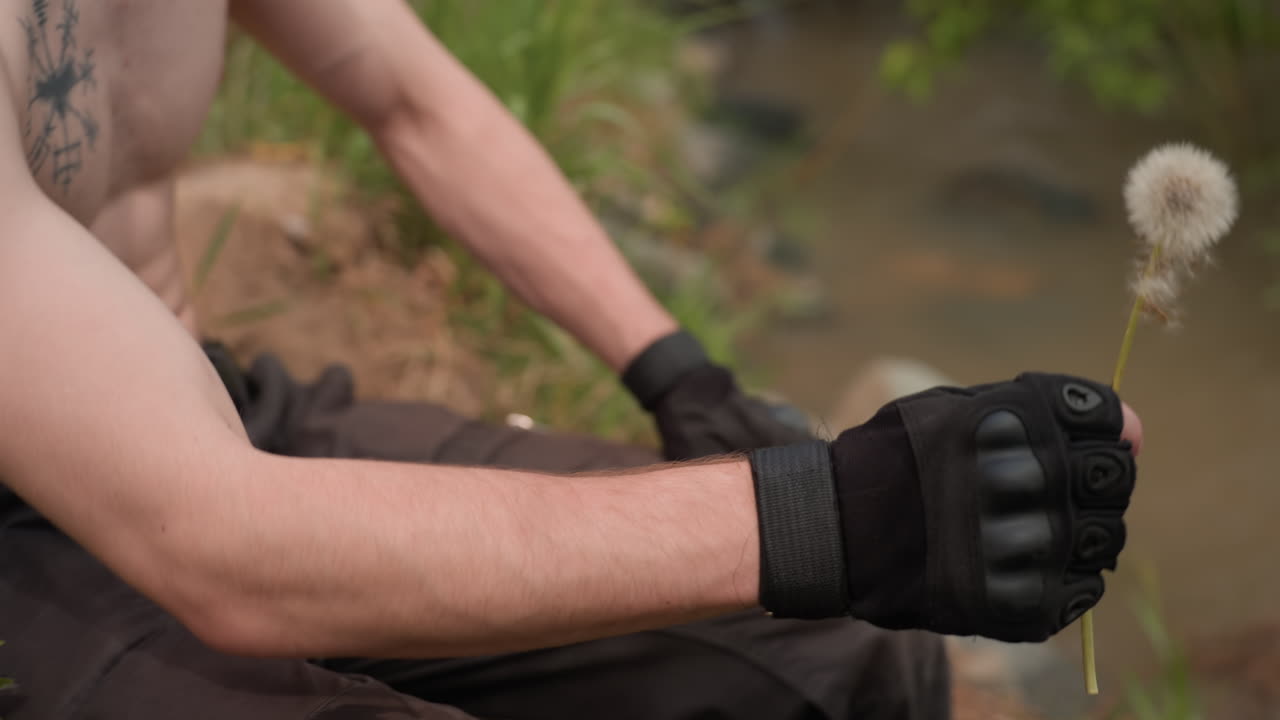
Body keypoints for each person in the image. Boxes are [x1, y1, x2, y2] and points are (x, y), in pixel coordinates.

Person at [0, 1, 1143, 718]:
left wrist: (678, 372)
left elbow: (410, 100)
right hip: (52, 546)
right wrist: (832, 514)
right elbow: (219, 547)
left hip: (207, 412)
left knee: (837, 656)